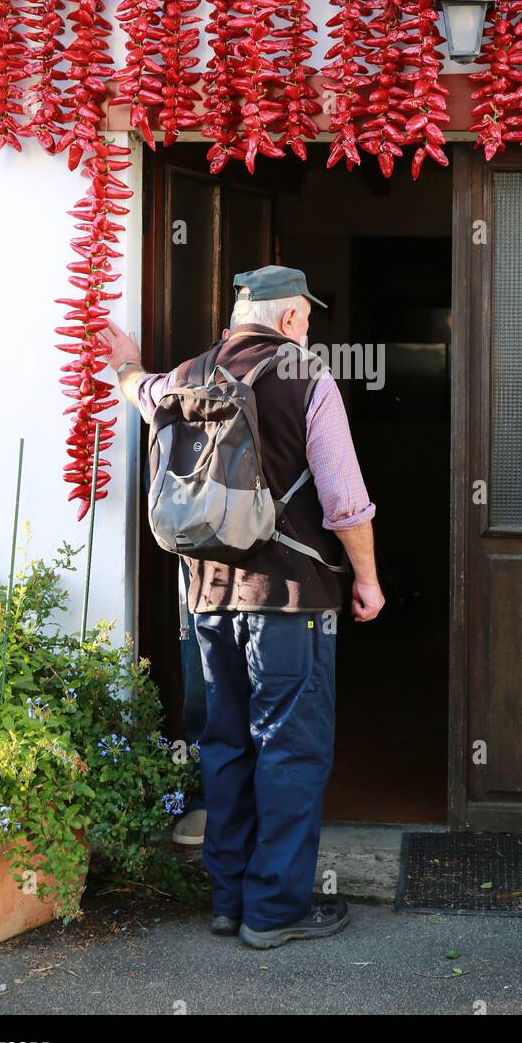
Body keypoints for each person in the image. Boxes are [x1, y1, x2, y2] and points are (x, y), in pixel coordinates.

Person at [102, 265, 384, 949]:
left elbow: (138, 391)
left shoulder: (186, 377)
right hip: (290, 600)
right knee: (289, 748)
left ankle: (228, 901)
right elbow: (346, 501)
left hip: (204, 602)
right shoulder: (308, 376)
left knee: (225, 746)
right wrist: (367, 580)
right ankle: (275, 911)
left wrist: (128, 360)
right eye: (307, 318)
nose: (309, 329)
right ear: (290, 319)